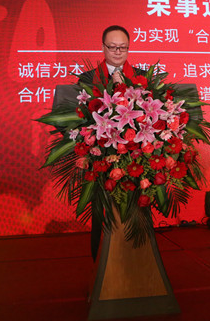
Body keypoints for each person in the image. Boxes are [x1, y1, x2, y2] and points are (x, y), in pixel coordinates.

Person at [51, 25, 142, 260]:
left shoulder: (141, 77)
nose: (118, 52)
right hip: (99, 156)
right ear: (103, 47)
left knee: (135, 209)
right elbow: (78, 114)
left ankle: (136, 256)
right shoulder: (87, 79)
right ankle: (100, 259)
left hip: (134, 155)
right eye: (113, 47)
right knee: (101, 212)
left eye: (123, 47)